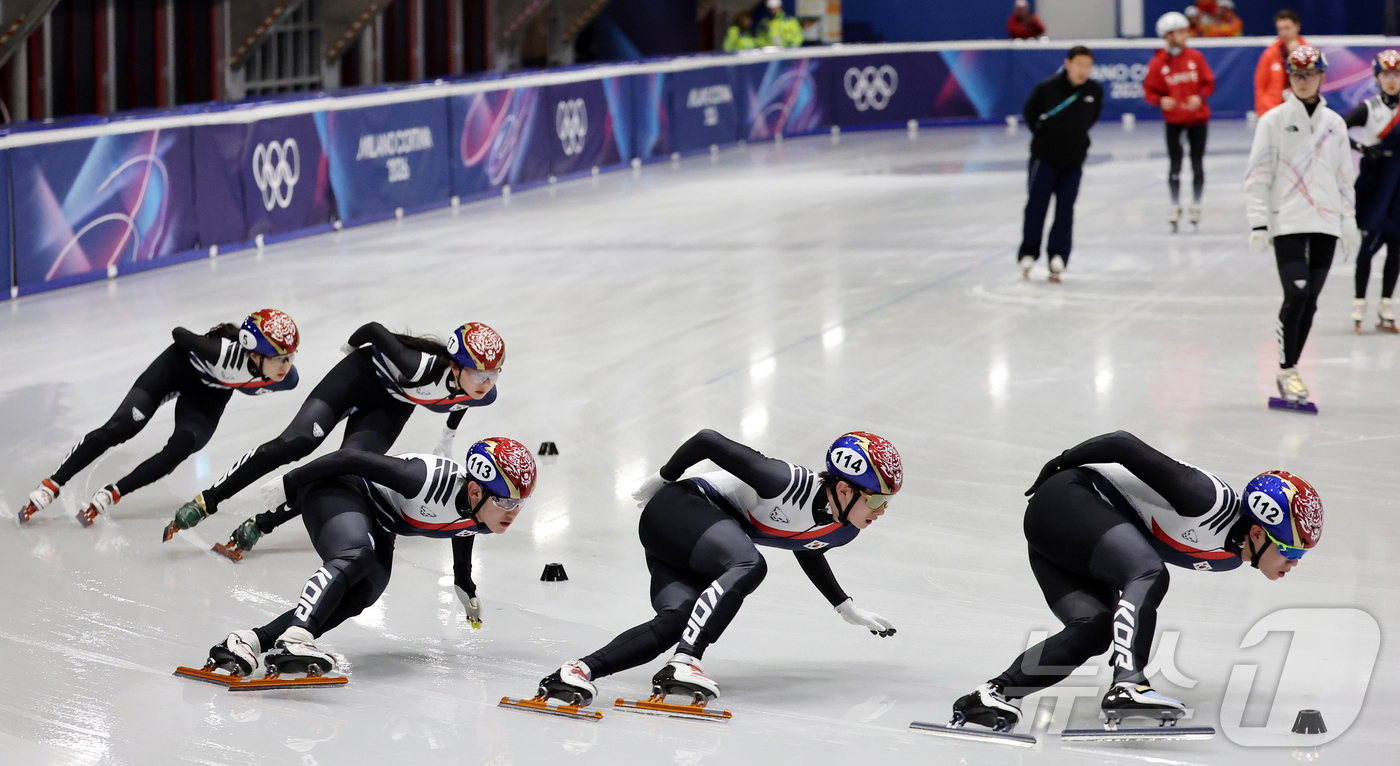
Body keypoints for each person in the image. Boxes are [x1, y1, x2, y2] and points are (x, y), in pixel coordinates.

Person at [949, 431, 1323, 732]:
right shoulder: (1207, 500)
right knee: (1149, 572)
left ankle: (993, 694)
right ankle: (1129, 683)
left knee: (1095, 628)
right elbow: (1122, 444)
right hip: (1066, 498)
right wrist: (1060, 462)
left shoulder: (1227, 560)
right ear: (1257, 533)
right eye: (1291, 551)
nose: (1294, 562)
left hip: (1063, 538)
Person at [531, 429, 902, 709]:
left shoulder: (844, 530)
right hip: (677, 509)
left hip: (691, 547)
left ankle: (576, 671)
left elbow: (806, 546)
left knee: (678, 620)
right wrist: (664, 477)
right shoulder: (783, 481)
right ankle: (686, 661)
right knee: (749, 563)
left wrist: (844, 606)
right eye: (877, 500)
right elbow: (707, 441)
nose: (882, 511)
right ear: (843, 490)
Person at [194, 438, 536, 679]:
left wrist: (464, 580)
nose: (513, 513)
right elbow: (350, 458)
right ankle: (297, 638)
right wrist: (290, 482)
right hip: (340, 488)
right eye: (507, 502)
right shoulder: (423, 480)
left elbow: (463, 529)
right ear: (475, 490)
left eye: (520, 503)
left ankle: (250, 640)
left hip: (381, 521)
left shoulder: (487, 514)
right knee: (357, 554)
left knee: (365, 591)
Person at [163, 320, 504, 559]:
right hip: (358, 377)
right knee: (297, 442)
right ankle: (206, 501)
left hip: (390, 406)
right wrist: (351, 348)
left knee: (348, 469)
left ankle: (262, 524)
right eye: (478, 374)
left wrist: (448, 435)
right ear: (454, 366)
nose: (486, 383)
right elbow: (373, 330)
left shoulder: (483, 393)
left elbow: (463, 400)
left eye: (493, 374)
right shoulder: (416, 365)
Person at [17, 310, 300, 526]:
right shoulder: (222, 354)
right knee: (123, 427)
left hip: (208, 396)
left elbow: (271, 377)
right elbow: (179, 334)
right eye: (280, 358)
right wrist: (208, 342)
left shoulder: (287, 379)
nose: (287, 366)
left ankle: (114, 492)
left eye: (291, 356)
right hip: (174, 370)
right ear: (254, 354)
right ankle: (53, 484)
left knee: (179, 450)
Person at [1245, 46, 1358, 407]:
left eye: (1310, 74)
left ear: (1322, 77)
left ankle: (1291, 371)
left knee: (1310, 301)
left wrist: (1349, 221)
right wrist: (1258, 222)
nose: (1303, 81)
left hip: (1325, 221)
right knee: (1296, 294)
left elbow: (1344, 177)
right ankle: (1285, 370)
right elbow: (1258, 173)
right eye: (1297, 74)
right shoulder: (1273, 121)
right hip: (1288, 220)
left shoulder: (1335, 124)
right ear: (1289, 76)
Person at [1018, 46, 1103, 283]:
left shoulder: (1094, 91)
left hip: (1073, 162)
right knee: (1037, 207)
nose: (1083, 70)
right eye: (1079, 64)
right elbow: (1030, 113)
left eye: (1088, 66)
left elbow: (1092, 118)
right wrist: (1046, 137)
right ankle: (1028, 252)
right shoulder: (1047, 88)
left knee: (1065, 210)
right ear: (1068, 64)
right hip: (1044, 159)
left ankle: (1058, 255)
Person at [1144, 12, 1215, 231]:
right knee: (1175, 163)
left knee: (1197, 162)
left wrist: (1199, 97)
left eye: (1186, 31)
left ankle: (1196, 204)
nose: (1186, 35)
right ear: (1168, 35)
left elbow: (1208, 82)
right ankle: (1175, 204)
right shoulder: (1158, 63)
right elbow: (1149, 91)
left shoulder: (1196, 57)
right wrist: (1160, 101)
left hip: (1198, 119)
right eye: (1180, 31)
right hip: (1174, 121)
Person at [1345, 50, 1400, 333]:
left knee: (1396, 246)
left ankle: (1386, 303)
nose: (1392, 80)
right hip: (1375, 184)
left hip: (1399, 185)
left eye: (1397, 74)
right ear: (1377, 78)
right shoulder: (1368, 107)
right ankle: (1359, 303)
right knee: (1367, 248)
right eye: (1386, 74)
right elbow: (1337, 129)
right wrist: (1362, 148)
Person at [1254, 10, 1306, 116]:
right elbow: (1260, 85)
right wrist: (1262, 112)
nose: (1283, 33)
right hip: (1273, 111)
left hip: (1300, 110)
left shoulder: (1308, 52)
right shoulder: (1270, 53)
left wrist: (1295, 56)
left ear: (1297, 27)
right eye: (1280, 29)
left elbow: (1311, 82)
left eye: (1287, 28)